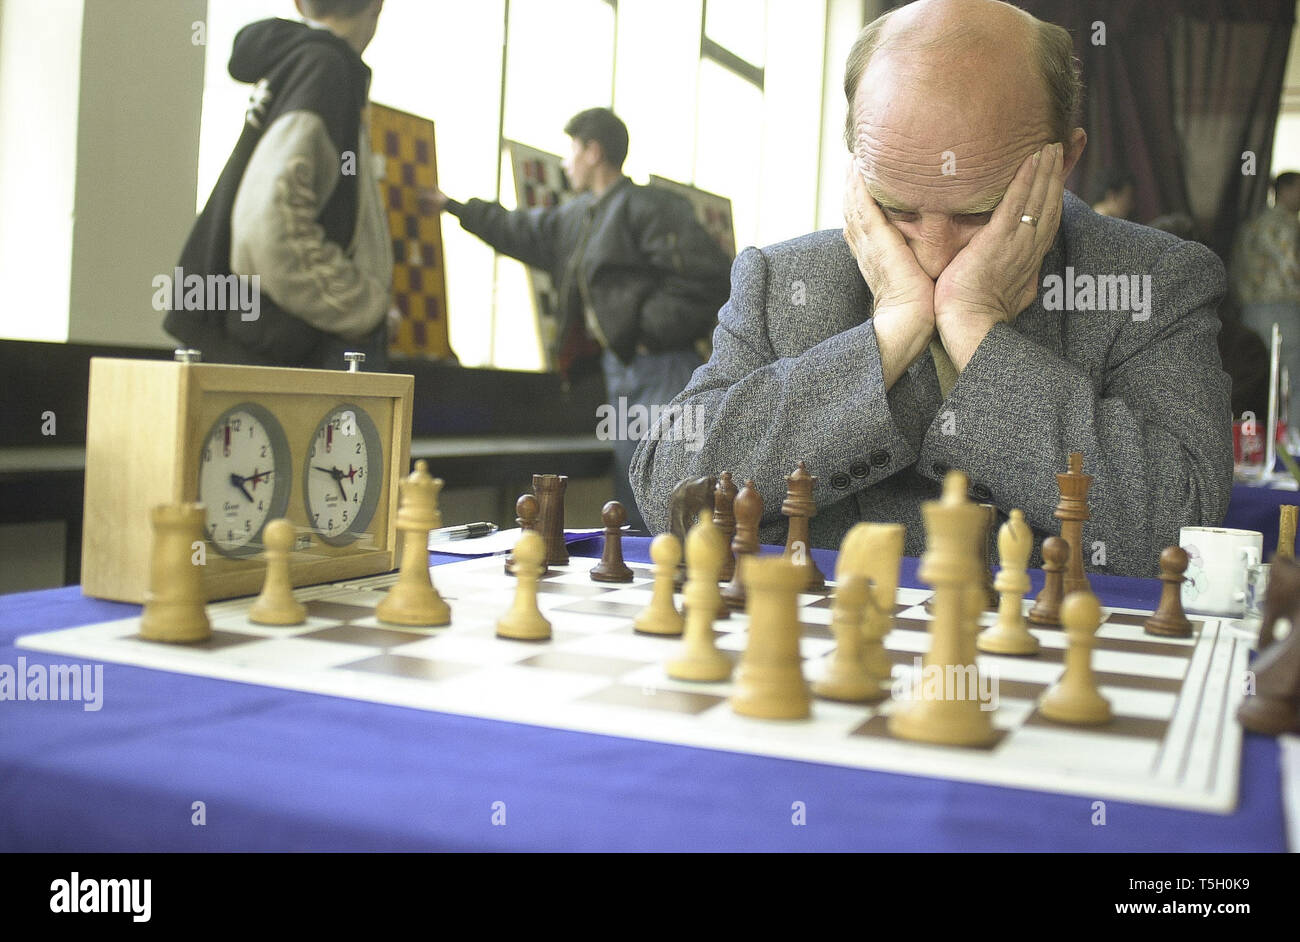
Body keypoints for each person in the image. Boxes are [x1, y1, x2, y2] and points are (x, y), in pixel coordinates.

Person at [631, 0, 1233, 578]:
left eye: (980, 212)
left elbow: (1181, 531)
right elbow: (673, 496)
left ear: (1065, 158)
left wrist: (976, 330)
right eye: (899, 209)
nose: (936, 251)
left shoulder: (1154, 282)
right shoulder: (783, 281)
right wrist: (890, 333)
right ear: (857, 161)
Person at [427, 108, 731, 532]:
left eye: (571, 149)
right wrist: (455, 208)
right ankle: (647, 579)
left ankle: (682, 584)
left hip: (661, 365)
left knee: (671, 476)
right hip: (620, 368)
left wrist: (645, 331)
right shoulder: (577, 217)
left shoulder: (651, 207)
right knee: (636, 480)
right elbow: (519, 229)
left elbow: (709, 278)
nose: (566, 161)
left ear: (593, 151)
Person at [166, 0, 394, 371]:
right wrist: (362, 306)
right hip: (299, 344)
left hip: (265, 333)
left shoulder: (296, 59)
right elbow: (267, 225)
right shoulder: (325, 68)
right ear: (377, 5)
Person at [1231, 171, 1300, 397]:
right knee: (1291, 379)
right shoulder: (1285, 225)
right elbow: (1291, 269)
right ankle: (1291, 432)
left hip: (1251, 310)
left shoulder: (1254, 223)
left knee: (1258, 378)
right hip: (1283, 309)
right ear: (1286, 190)